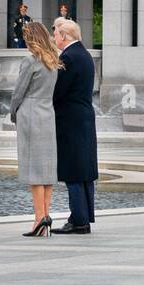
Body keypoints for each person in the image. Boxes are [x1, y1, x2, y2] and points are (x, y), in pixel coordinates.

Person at [9, 20, 62, 237]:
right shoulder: (53, 61)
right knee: (47, 170)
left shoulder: (30, 61)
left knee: (34, 170)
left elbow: (19, 91)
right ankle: (44, 217)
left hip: (30, 113)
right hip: (47, 114)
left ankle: (39, 218)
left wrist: (13, 113)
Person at [50, 18, 97, 234]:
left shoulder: (68, 57)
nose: (54, 38)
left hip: (70, 120)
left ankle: (78, 221)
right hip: (84, 118)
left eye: (56, 34)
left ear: (64, 36)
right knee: (84, 171)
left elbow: (58, 91)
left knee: (73, 171)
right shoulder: (85, 55)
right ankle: (83, 217)